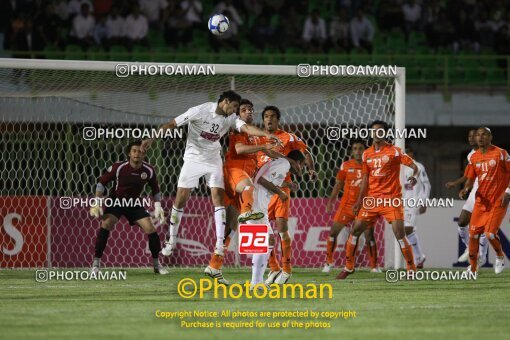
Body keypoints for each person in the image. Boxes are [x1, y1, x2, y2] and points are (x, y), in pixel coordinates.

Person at [140, 91, 281, 279]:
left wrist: (266, 135)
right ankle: (172, 240)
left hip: (214, 160)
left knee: (220, 200)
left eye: (244, 109)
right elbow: (172, 124)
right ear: (225, 102)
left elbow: (246, 127)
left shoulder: (232, 119)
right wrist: (153, 137)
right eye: (234, 107)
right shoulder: (200, 111)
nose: (235, 111)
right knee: (181, 199)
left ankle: (220, 248)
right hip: (194, 158)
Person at [337, 121, 419, 279]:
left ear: (385, 134)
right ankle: (348, 267)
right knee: (355, 230)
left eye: (380, 131)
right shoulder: (366, 154)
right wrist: (360, 202)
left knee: (399, 233)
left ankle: (411, 268)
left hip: (391, 199)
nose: (377, 133)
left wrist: (414, 177)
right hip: (372, 200)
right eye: (374, 131)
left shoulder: (395, 151)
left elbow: (413, 166)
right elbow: (365, 180)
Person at [258, 106, 317, 285]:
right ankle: (274, 268)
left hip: (282, 189)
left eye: (273, 117)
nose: (269, 119)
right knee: (259, 230)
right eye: (266, 116)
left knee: (282, 229)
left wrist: (311, 168)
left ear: (278, 120)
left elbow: (306, 152)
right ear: (263, 120)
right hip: (262, 190)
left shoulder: (288, 137)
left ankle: (286, 269)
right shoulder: (257, 139)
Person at [90, 140, 167, 274]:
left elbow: (155, 189)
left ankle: (156, 265)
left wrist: (158, 205)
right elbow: (101, 183)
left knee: (151, 229)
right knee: (105, 224)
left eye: (140, 151)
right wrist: (97, 201)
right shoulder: (118, 167)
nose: (137, 154)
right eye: (134, 151)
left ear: (144, 153)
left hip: (134, 204)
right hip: (116, 202)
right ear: (129, 153)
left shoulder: (148, 170)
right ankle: (96, 265)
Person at [250, 150, 306, 289]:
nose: (302, 169)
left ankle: (257, 282)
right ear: (296, 162)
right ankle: (256, 283)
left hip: (256, 205)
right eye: (302, 165)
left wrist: (287, 186)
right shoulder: (284, 164)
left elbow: (269, 179)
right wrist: (280, 193)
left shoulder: (280, 164)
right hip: (256, 205)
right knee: (264, 242)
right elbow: (261, 179)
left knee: (265, 241)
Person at [323, 140, 380, 273]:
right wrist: (331, 201)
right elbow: (338, 184)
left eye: (360, 148)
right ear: (351, 151)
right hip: (347, 206)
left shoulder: (372, 166)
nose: (358, 151)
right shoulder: (346, 166)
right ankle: (329, 262)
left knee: (369, 236)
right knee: (333, 232)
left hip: (365, 206)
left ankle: (374, 266)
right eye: (355, 148)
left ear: (365, 151)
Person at [460, 127, 510, 274]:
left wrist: (507, 191)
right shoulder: (473, 157)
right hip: (481, 202)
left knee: (490, 234)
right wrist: (466, 189)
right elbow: (470, 178)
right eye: (478, 135)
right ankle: (473, 269)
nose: (481, 137)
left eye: (484, 135)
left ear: (490, 137)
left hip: (498, 201)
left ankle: (500, 257)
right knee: (473, 235)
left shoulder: (501, 154)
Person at [445, 129, 488, 267]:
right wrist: (465, 187)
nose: (471, 139)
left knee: (483, 228)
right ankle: (470, 248)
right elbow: (469, 176)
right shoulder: (471, 155)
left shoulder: (492, 153)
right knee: (462, 222)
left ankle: (481, 255)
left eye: (474, 136)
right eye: (469, 136)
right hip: (475, 193)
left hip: (488, 195)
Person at [403, 146, 431, 269]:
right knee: (407, 231)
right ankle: (419, 257)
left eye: (408, 153)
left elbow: (427, 185)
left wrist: (424, 202)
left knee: (408, 229)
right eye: (405, 153)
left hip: (414, 201)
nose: (407, 155)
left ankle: (416, 258)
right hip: (401, 202)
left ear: (412, 153)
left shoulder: (418, 167)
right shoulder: (400, 167)